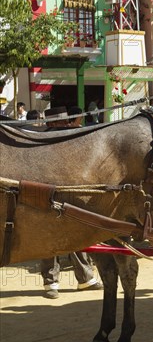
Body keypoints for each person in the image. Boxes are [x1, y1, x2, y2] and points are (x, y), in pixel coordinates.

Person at [40, 106, 103, 299]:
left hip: (69, 192)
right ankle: (51, 283)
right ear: (50, 124)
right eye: (59, 123)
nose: (64, 125)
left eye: (65, 122)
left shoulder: (70, 138)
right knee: (49, 238)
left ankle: (85, 279)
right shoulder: (42, 141)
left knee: (75, 235)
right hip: (46, 194)